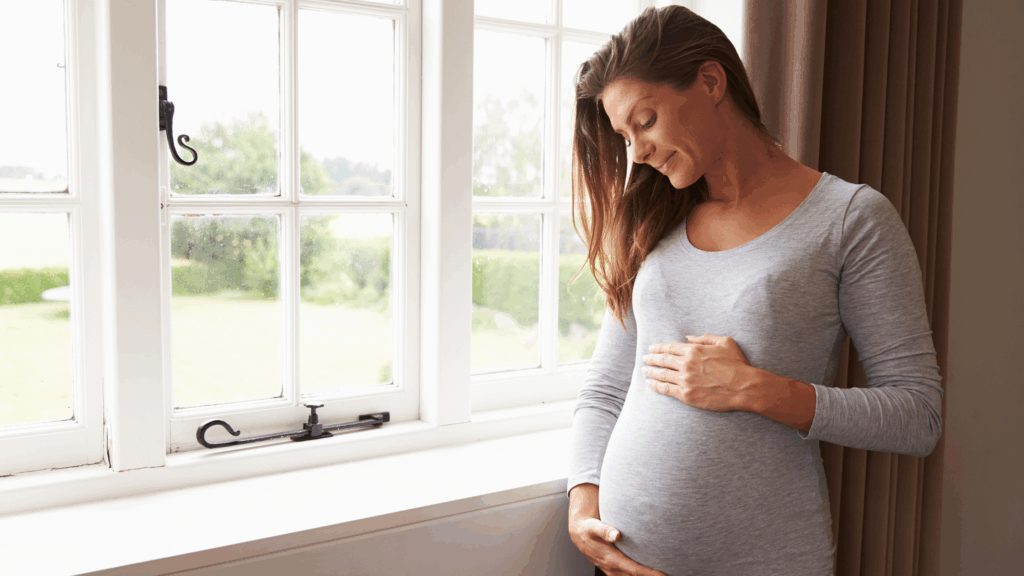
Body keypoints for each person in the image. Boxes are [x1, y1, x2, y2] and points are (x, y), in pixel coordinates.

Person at [565, 6, 943, 576]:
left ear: (711, 82)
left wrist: (754, 389)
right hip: (624, 564)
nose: (636, 152)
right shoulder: (656, 218)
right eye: (624, 136)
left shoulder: (850, 219)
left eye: (645, 121)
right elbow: (606, 387)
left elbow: (918, 416)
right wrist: (583, 505)